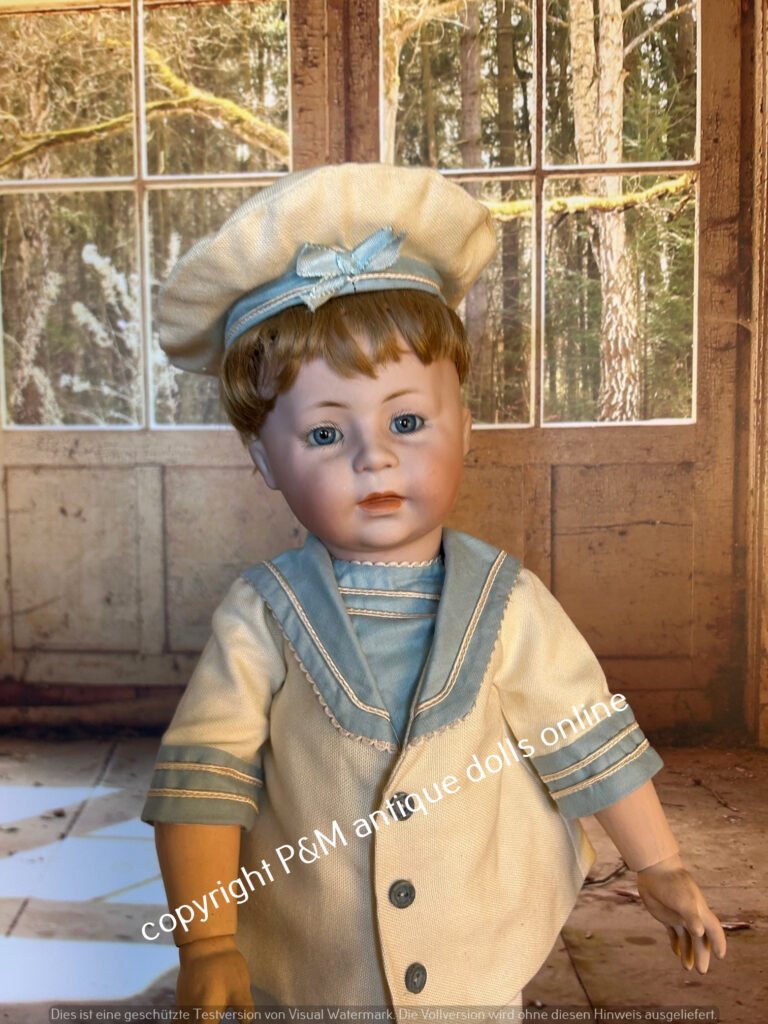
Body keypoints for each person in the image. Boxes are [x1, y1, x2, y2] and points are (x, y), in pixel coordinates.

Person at [142, 163, 726, 1015]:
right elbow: (205, 776)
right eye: (326, 434)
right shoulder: (262, 616)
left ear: (465, 428)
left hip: (473, 961)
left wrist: (659, 863)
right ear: (264, 459)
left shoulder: (510, 602)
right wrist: (206, 939)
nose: (374, 457)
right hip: (313, 969)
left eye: (408, 421)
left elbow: (583, 734)